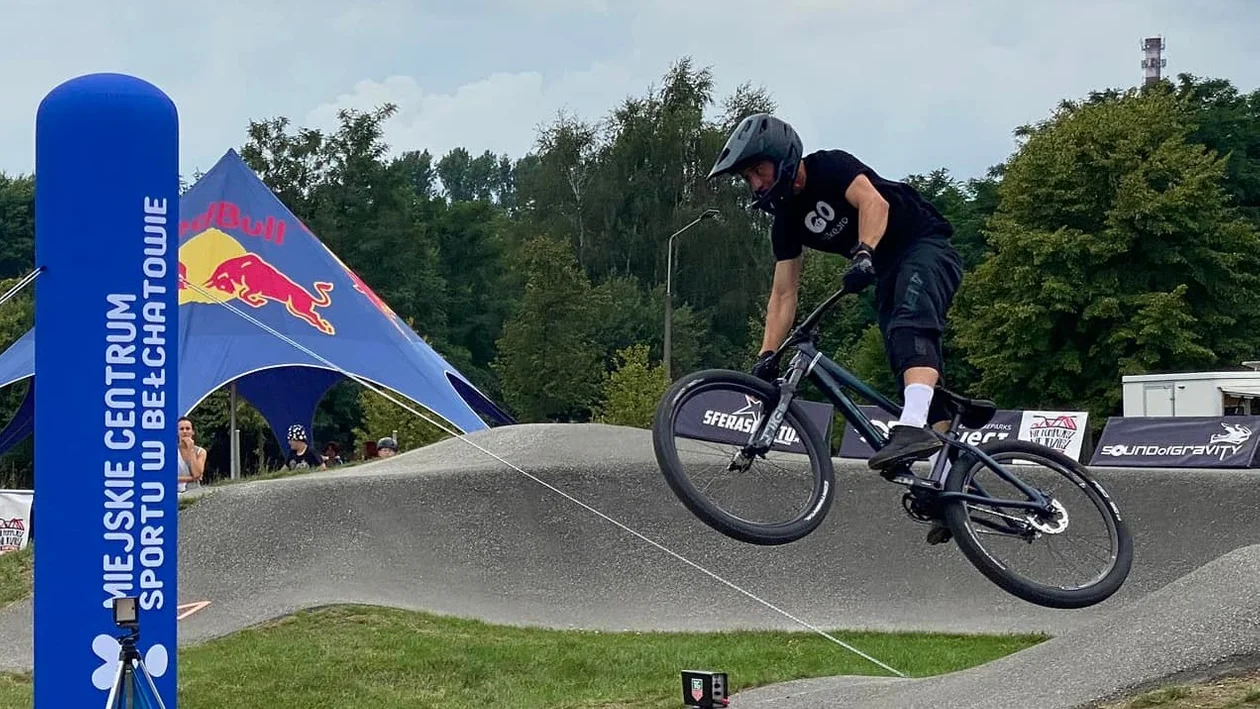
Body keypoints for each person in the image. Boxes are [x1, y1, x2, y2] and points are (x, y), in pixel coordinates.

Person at [707, 113, 963, 471]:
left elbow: (875, 204)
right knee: (903, 358)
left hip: (924, 245)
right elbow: (783, 294)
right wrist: (767, 354)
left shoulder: (829, 166)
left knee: (910, 324)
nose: (755, 184)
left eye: (757, 171)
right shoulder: (785, 222)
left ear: (781, 156)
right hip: (885, 269)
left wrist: (864, 251)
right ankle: (949, 485)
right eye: (748, 178)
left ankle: (911, 429)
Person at [176, 416, 207, 493]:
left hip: (194, 492)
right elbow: (169, 477)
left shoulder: (201, 452)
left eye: (187, 428)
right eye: (181, 429)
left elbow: (197, 474)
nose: (185, 431)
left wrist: (191, 449)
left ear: (192, 431)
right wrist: (192, 479)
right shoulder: (170, 451)